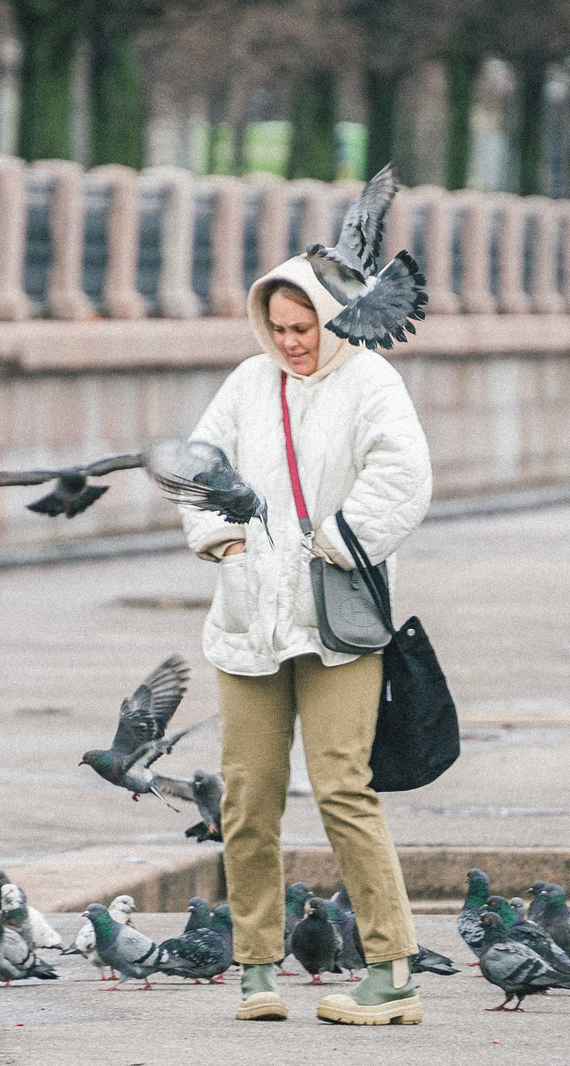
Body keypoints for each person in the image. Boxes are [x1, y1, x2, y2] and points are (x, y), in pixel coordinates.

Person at [177, 259, 432, 1026]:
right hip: (250, 616)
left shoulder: (372, 381)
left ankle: (391, 972)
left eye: (304, 326)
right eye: (278, 328)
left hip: (335, 617)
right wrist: (220, 540)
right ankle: (256, 967)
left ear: (331, 314)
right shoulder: (248, 383)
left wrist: (340, 539)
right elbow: (198, 465)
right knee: (247, 794)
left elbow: (405, 470)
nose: (291, 342)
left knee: (343, 786)